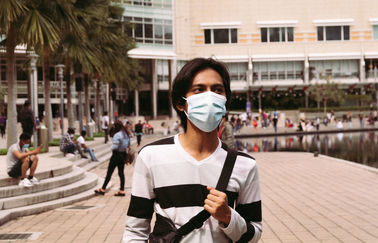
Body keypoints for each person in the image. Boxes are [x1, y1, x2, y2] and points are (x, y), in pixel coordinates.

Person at [123, 58, 262, 242]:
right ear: (181, 103)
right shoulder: (151, 156)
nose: (210, 96)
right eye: (199, 89)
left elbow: (254, 234)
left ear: (225, 102)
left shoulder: (244, 165)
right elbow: (135, 231)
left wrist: (228, 217)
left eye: (217, 90)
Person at [95, 120, 131, 196]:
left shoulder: (117, 135)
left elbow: (115, 146)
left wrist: (110, 147)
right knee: (121, 173)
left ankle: (103, 189)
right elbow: (128, 145)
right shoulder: (126, 134)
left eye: (114, 126)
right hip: (123, 155)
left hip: (116, 155)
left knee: (109, 173)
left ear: (116, 126)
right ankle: (122, 190)